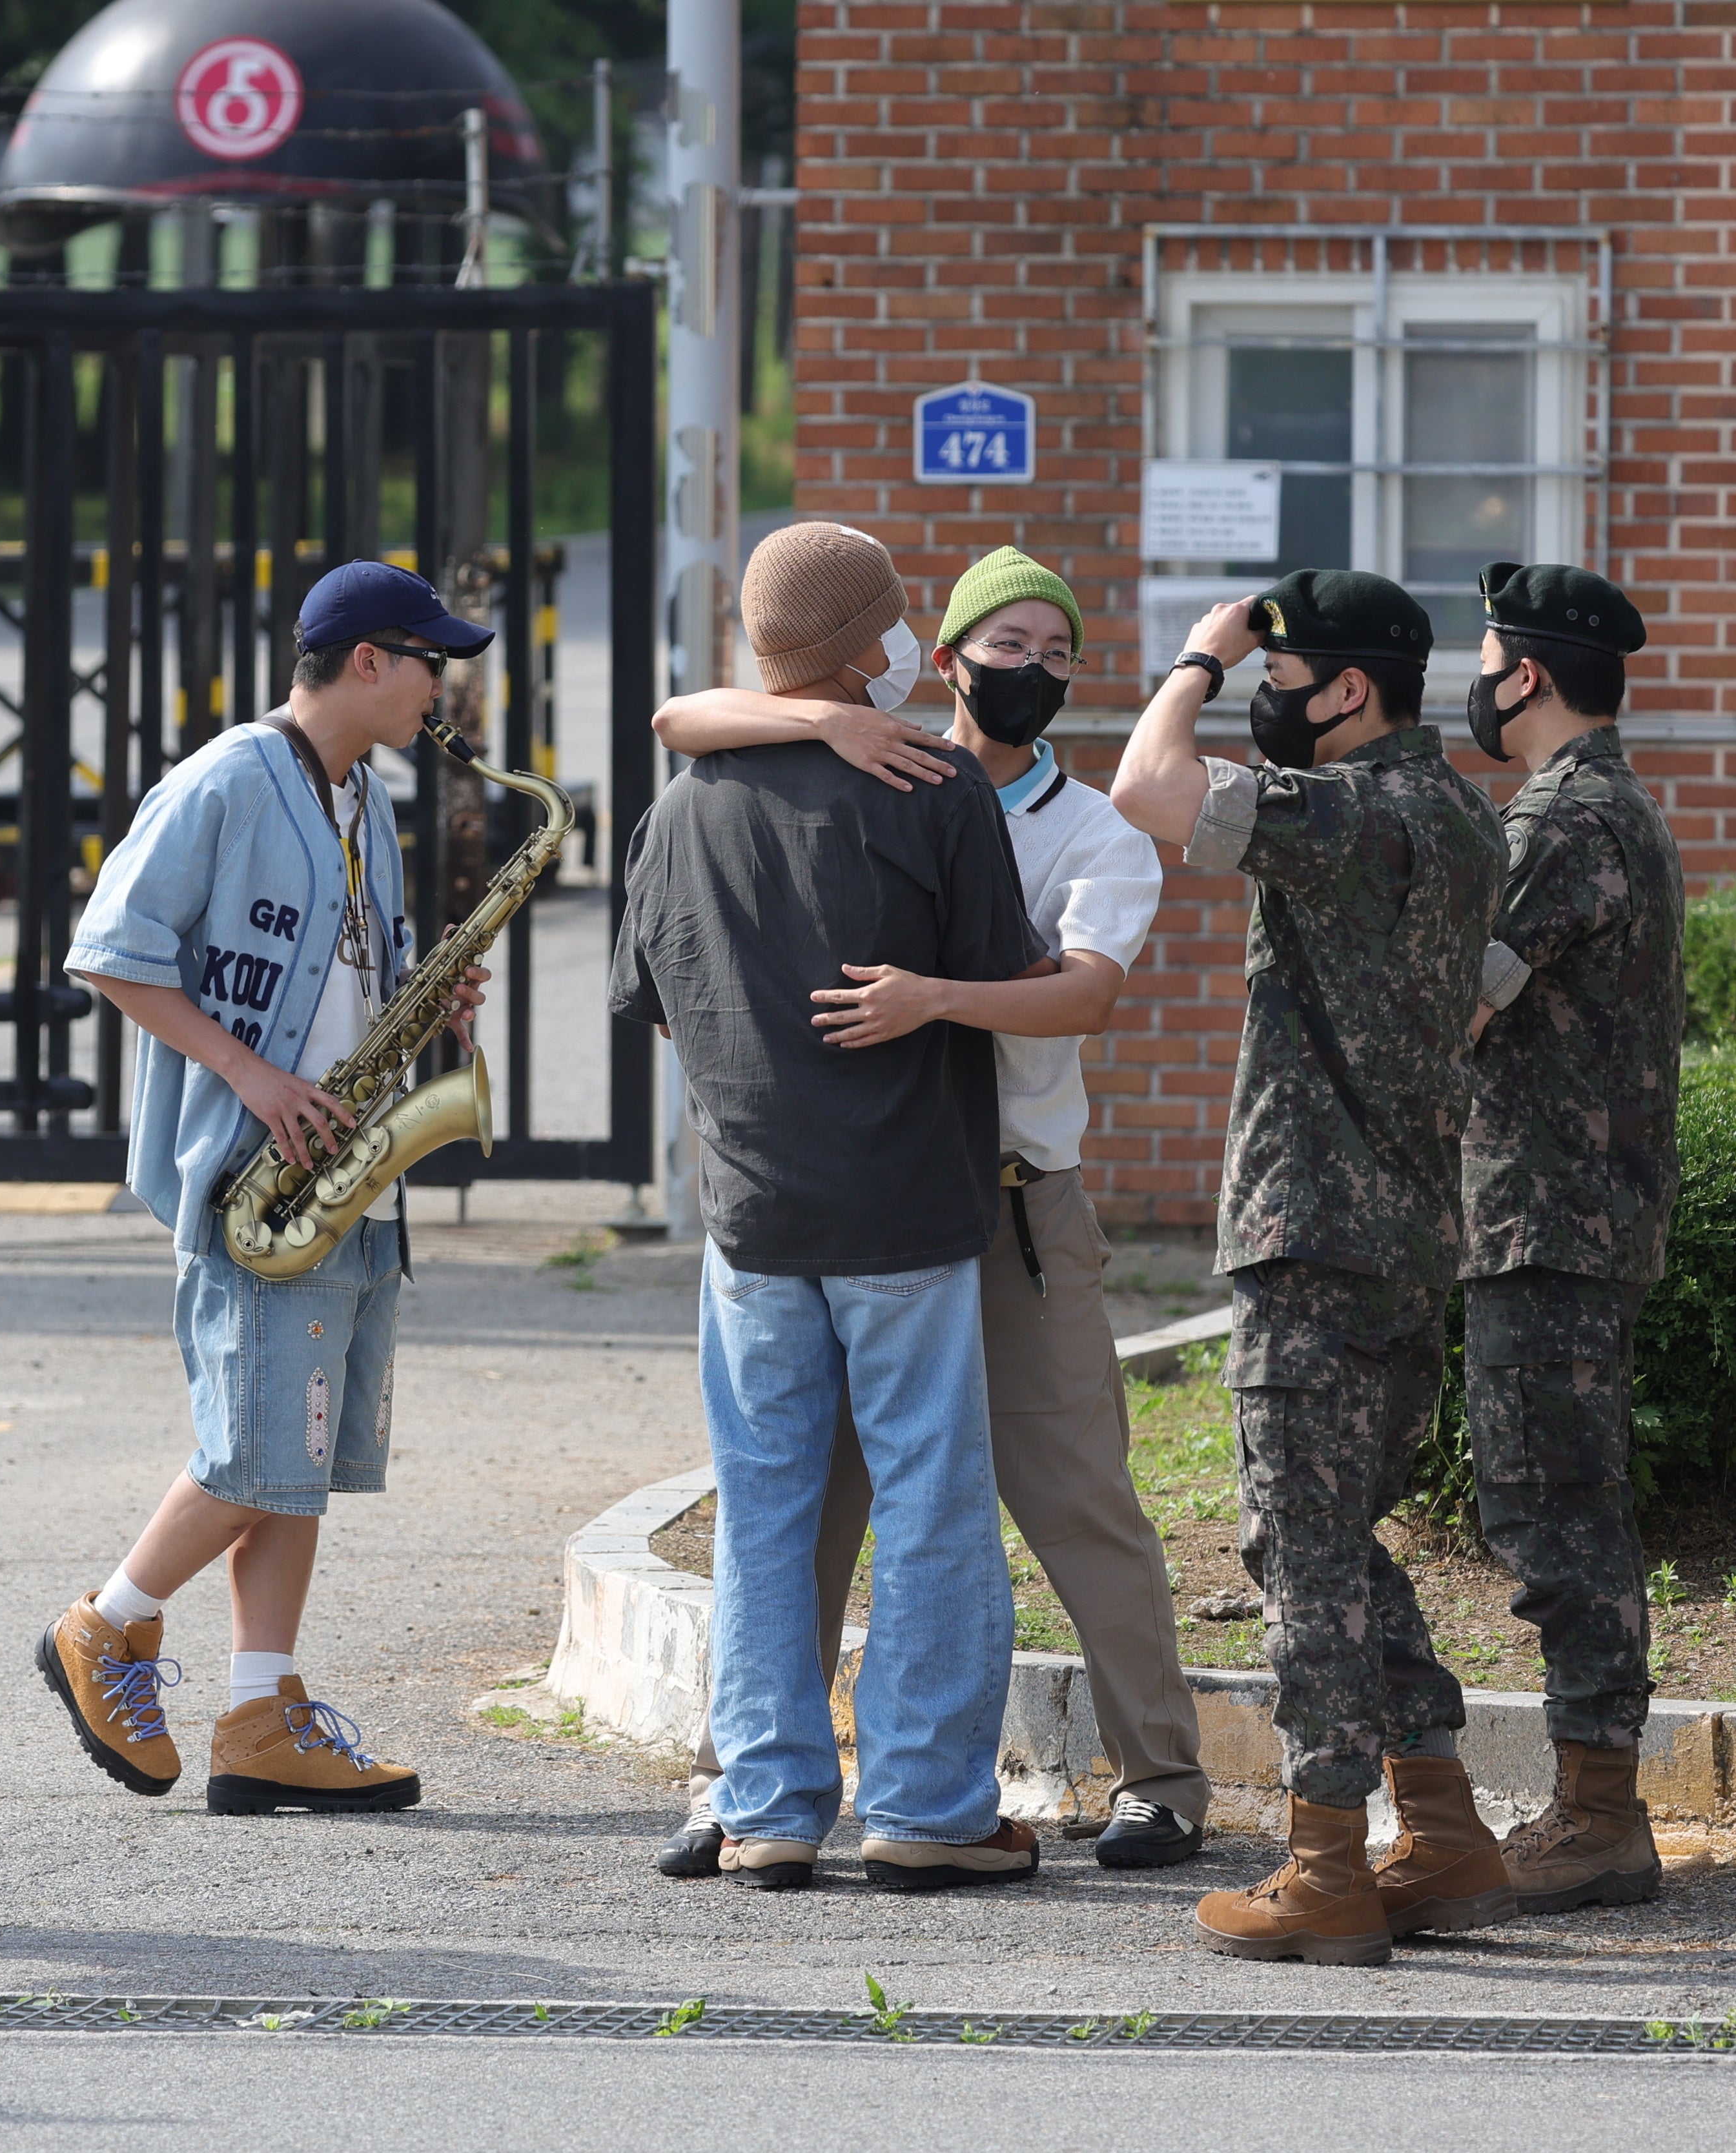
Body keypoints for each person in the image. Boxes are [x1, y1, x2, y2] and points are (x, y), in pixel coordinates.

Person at [644, 544, 1212, 1877]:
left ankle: (1158, 1777)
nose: (1037, 671)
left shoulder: (1082, 827)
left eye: (1059, 651)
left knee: (1066, 1496)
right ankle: (791, 1792)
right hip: (891, 1205)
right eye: (1006, 644)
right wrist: (821, 718)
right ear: (930, 656)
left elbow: (1076, 993)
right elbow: (685, 717)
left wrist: (930, 1000)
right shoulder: (903, 778)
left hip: (999, 1205)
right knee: (848, 1508)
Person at [610, 522, 1051, 1892]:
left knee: (763, 1507)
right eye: (898, 620)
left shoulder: (682, 800)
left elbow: (655, 1007)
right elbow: (998, 987)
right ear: (868, 646)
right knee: (928, 1497)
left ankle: (766, 1808)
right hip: (908, 1202)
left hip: (751, 1207)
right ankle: (923, 1805)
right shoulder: (933, 789)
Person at [45, 560, 489, 1816]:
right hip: (257, 1172)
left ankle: (258, 1710)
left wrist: (430, 1007)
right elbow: (112, 954)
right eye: (428, 663)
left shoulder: (363, 795)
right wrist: (249, 1077)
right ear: (367, 662)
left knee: (296, 1459)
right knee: (247, 1450)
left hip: (344, 1173)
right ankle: (105, 1624)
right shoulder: (227, 780)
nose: (439, 689)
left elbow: (350, 976)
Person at [1110, 570, 1509, 1966]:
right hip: (1407, 1234)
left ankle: (1325, 1866)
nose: (1266, 700)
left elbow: (1149, 791)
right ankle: (1446, 1836)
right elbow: (1481, 995)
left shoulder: (1350, 811)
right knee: (1332, 1545)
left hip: (1309, 1234)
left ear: (1345, 692)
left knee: (1302, 1558)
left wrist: (1194, 661)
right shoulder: (1461, 816)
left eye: (1285, 680)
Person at [1457, 562, 1683, 1915]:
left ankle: (1598, 1819)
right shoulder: (1608, 809)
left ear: (1524, 676)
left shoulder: (1558, 818)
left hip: (1548, 1221)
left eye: (1483, 660)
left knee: (1555, 1520)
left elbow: (1460, 1003)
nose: (1474, 687)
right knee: (1558, 1509)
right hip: (1564, 1218)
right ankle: (1591, 1804)